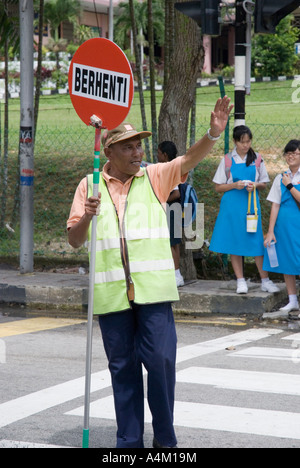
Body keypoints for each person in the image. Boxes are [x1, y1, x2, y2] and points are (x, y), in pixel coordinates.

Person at [67, 96, 233, 449]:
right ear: (109, 152)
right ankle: (128, 442)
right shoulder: (89, 184)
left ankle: (165, 441)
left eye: (139, 145)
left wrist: (213, 134)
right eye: (128, 147)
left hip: (153, 293)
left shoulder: (155, 177)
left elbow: (188, 159)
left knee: (160, 362)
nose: (138, 152)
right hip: (112, 297)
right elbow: (74, 241)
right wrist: (87, 216)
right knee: (123, 371)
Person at [209, 125, 279, 295]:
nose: (245, 145)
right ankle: (240, 281)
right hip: (232, 207)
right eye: (242, 142)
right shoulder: (227, 160)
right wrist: (234, 185)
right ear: (235, 142)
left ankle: (265, 280)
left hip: (250, 205)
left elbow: (263, 183)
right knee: (235, 242)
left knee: (255, 240)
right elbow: (218, 187)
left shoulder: (257, 159)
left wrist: (254, 184)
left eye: (248, 141)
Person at [263, 140, 300, 313]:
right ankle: (292, 300)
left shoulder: (286, 180)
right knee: (287, 261)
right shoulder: (280, 177)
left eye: (295, 153)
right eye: (288, 153)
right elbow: (275, 204)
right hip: (283, 228)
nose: (290, 156)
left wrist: (290, 185)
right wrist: (270, 231)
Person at [157, 140, 184, 287]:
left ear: (165, 155)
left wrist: (160, 200)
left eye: (159, 153)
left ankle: (177, 274)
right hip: (168, 208)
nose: (157, 155)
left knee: (172, 243)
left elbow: (176, 193)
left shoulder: (170, 169)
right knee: (170, 243)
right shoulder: (165, 168)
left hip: (172, 208)